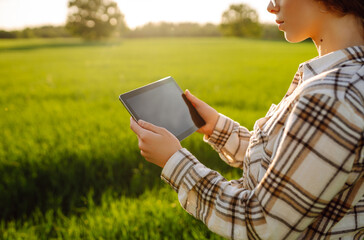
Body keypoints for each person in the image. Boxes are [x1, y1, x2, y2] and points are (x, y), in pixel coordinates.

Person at [130, 0, 364, 239]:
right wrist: (218, 128)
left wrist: (174, 162)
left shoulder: (333, 95)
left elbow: (262, 223)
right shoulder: (347, 79)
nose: (271, 6)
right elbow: (292, 166)